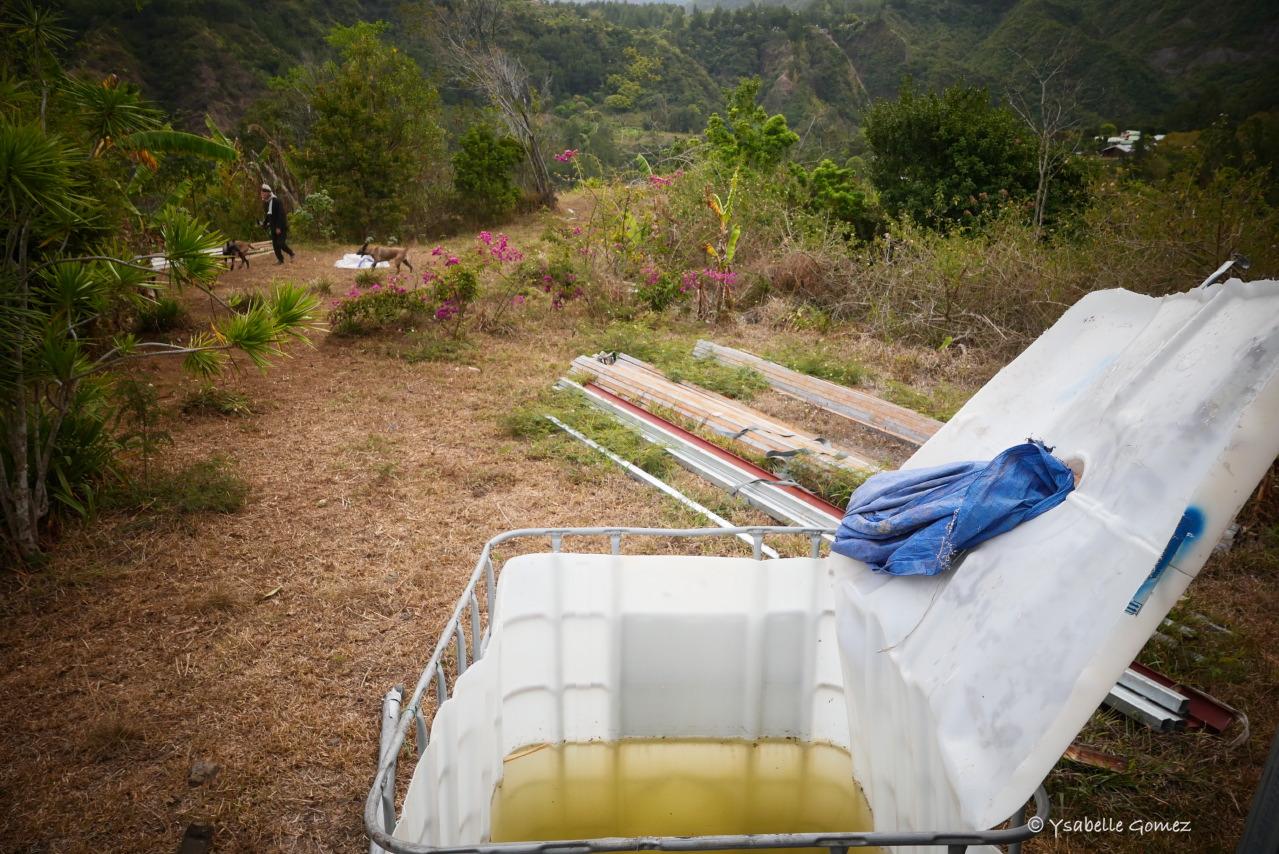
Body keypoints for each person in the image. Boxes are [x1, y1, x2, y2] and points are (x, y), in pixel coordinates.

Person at [259, 183, 295, 264]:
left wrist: (278, 227)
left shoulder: (277, 201)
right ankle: (280, 260)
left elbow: (281, 215)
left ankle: (291, 253)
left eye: (263, 193)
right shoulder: (267, 202)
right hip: (273, 227)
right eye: (261, 193)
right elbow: (268, 215)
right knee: (275, 245)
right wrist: (264, 225)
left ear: (268, 193)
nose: (262, 195)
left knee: (281, 244)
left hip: (281, 227)